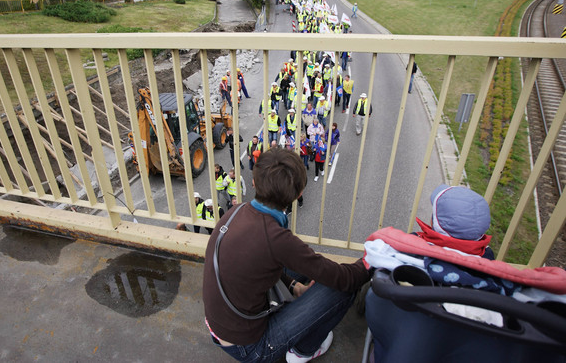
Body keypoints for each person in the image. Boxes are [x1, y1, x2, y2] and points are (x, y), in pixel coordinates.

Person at [202, 148, 369, 363]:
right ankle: (304, 350)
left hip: (221, 327)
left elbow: (263, 261)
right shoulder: (277, 238)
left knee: (299, 261)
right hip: (251, 348)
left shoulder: (236, 212)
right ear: (298, 194)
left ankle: (294, 302)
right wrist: (371, 262)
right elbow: (343, 278)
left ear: (254, 182)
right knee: (341, 289)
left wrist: (293, 286)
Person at [364, 185, 506, 362]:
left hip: (399, 331)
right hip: (451, 343)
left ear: (437, 221)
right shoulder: (487, 262)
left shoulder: (412, 247)